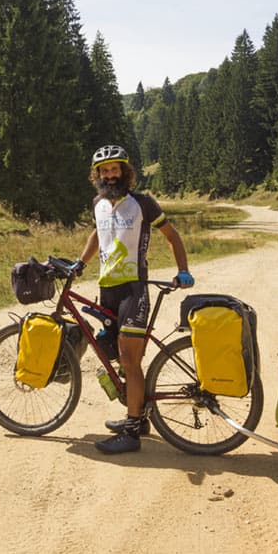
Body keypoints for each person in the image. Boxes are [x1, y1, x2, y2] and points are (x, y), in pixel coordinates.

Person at [71, 144, 193, 454]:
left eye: (115, 170)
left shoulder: (142, 204)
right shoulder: (98, 203)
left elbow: (172, 235)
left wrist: (183, 270)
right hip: (107, 288)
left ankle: (131, 433)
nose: (110, 175)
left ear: (125, 172)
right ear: (97, 175)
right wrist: (81, 263)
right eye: (104, 171)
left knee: (129, 359)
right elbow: (97, 236)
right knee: (116, 356)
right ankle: (138, 417)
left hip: (133, 290)